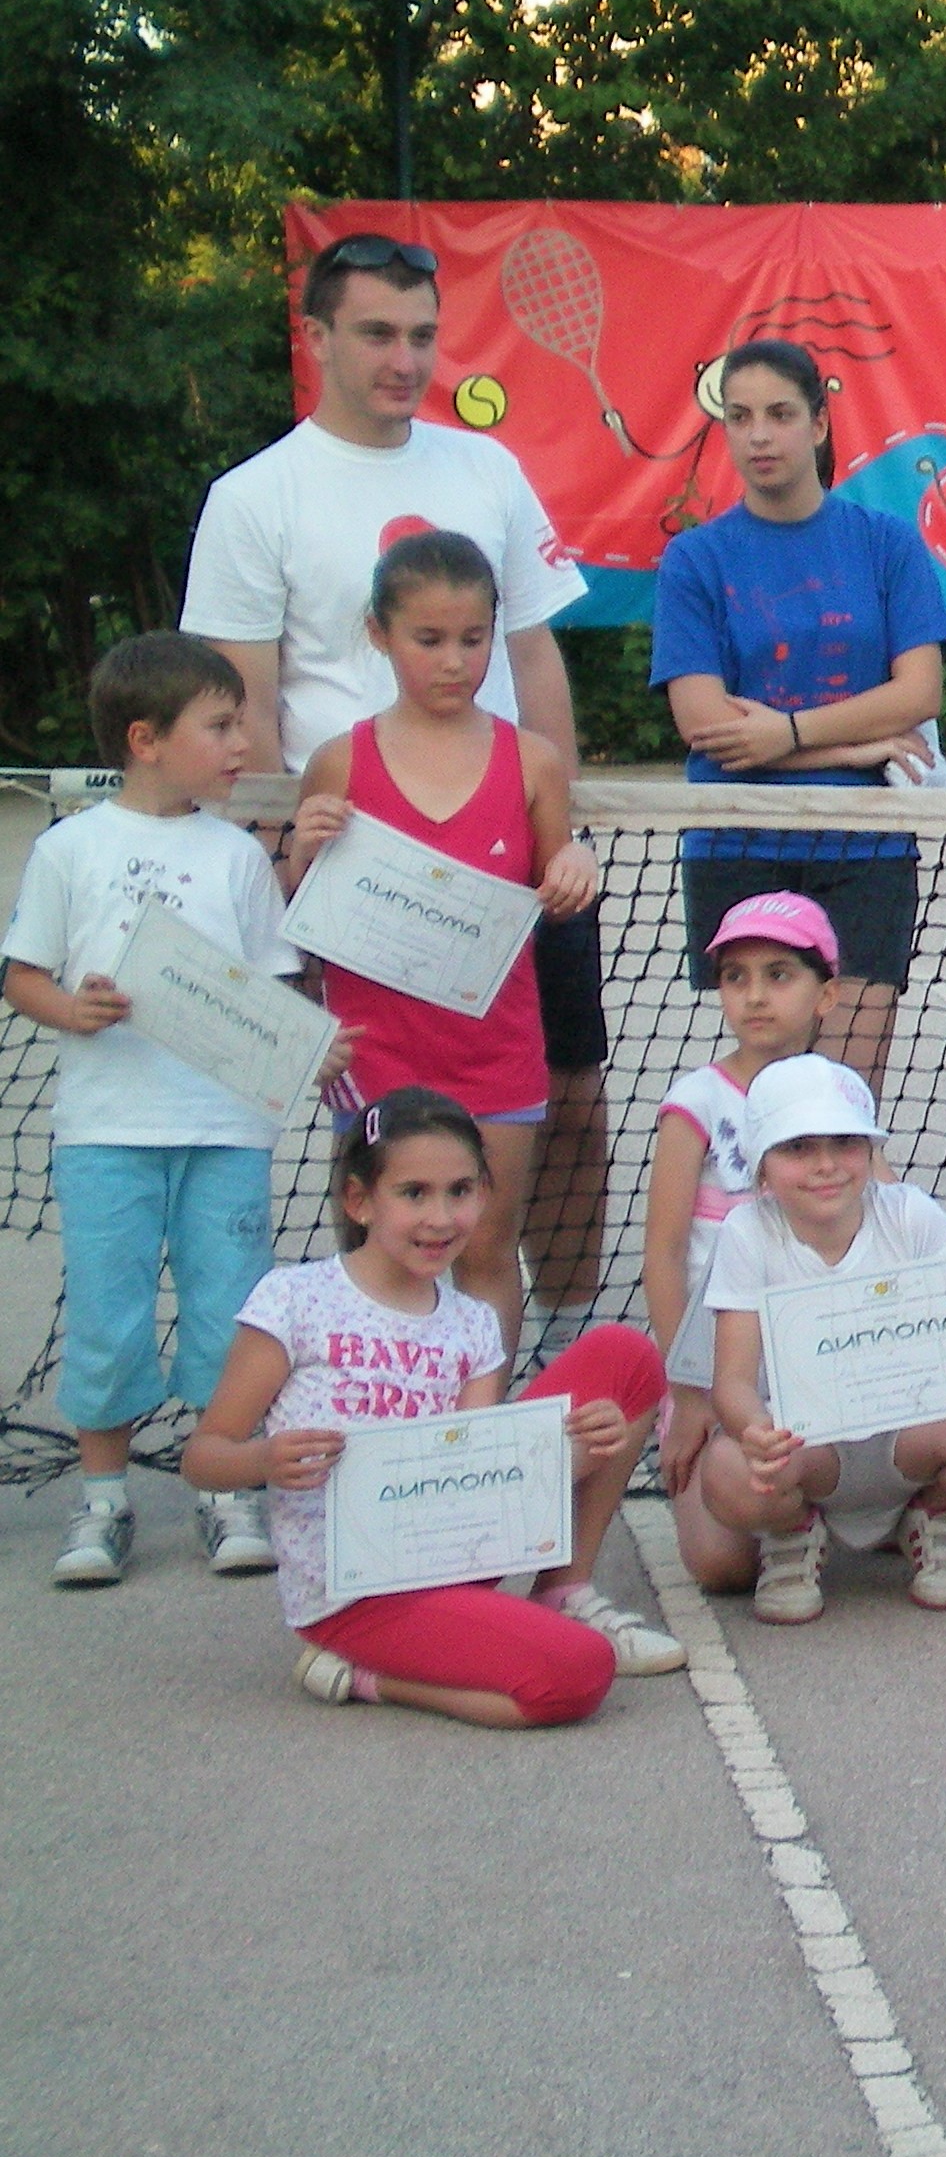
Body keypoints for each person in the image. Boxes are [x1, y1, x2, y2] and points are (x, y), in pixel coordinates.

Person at [176, 230, 613, 1343]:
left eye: (423, 334)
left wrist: (561, 825)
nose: (404, 358)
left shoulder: (488, 469)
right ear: (317, 337)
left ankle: (550, 1360)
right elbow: (250, 708)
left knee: (569, 1105)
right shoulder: (251, 498)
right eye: (376, 332)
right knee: (390, 1153)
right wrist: (293, 869)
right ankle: (394, 1360)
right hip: (361, 892)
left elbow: (533, 660)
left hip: (515, 871)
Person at [5, 636, 338, 1586]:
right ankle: (102, 1498)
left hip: (226, 1131)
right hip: (106, 1133)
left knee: (228, 1311)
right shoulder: (70, 847)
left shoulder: (237, 856)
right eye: (221, 725)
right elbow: (23, 973)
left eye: (241, 723)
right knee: (108, 1315)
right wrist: (71, 1008)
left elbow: (277, 990)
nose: (242, 743)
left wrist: (311, 1050)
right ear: (146, 739)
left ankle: (225, 1487)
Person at [180, 1090, 681, 1719]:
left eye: (461, 1191)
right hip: (355, 1593)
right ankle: (360, 1676)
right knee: (578, 1674)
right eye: (414, 1193)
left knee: (624, 1355)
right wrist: (264, 1460)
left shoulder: (472, 1324)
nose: (441, 1218)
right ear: (360, 1201)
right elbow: (203, 1456)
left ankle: (563, 1590)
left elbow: (482, 1473)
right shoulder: (294, 1300)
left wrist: (583, 1438)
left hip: (451, 1550)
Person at [286, 531, 598, 1364]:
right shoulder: (338, 761)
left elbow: (555, 884)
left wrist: (573, 867)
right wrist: (302, 849)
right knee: (380, 1256)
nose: (454, 660)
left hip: (495, 1054)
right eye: (429, 639)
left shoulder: (532, 761)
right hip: (376, 1053)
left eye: (472, 638)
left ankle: (478, 1432)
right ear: (379, 634)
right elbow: (297, 917)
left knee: (488, 1251)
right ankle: (382, 1419)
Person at [651, 337, 946, 1094]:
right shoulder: (694, 561)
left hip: (867, 851)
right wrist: (853, 747)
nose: (759, 434)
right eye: (741, 416)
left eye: (780, 414)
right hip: (741, 842)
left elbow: (918, 693)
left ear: (818, 424)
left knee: (844, 1094)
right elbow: (704, 723)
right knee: (772, 1092)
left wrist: (783, 733)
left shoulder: (885, 544)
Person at [691, 1057, 946, 1624]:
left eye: (845, 1143)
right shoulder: (747, 1233)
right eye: (798, 1148)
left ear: (870, 1150)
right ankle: (796, 1531)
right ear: (761, 1167)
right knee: (728, 1473)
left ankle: (935, 1514)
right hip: (806, 1452)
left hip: (912, 1442)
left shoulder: (908, 1214)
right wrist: (757, 1436)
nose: (826, 1165)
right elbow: (731, 1382)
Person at [642, 893, 883, 1591]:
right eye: (735, 977)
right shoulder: (697, 1101)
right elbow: (662, 1255)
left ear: (826, 995)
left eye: (779, 975)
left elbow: (892, 1219)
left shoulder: (843, 1095)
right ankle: (802, 1519)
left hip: (834, 1373)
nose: (754, 996)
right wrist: (688, 1396)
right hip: (724, 1381)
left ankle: (899, 1503)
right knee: (722, 1568)